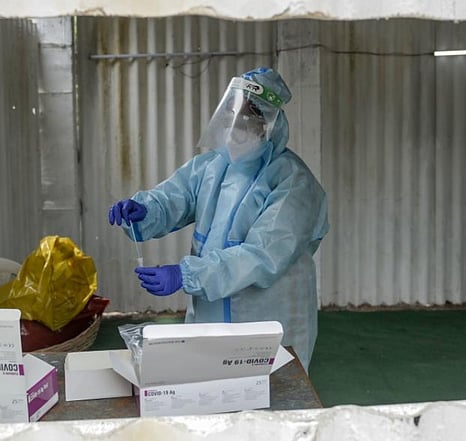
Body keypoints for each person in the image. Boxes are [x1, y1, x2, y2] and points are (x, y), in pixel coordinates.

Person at [108, 67, 329, 369]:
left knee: (271, 392)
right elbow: (175, 197)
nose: (233, 128)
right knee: (212, 386)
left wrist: (186, 275)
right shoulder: (213, 166)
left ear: (268, 125)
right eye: (229, 118)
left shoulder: (294, 183)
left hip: (267, 316)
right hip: (210, 313)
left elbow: (261, 256)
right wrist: (145, 210)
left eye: (244, 121)